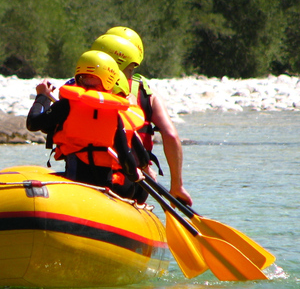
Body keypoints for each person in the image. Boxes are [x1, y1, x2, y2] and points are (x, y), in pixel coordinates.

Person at [26, 50, 147, 201]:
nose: (88, 84)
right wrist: (135, 175)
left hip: (77, 181)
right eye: (84, 79)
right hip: (102, 186)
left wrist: (42, 97)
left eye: (93, 80)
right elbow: (126, 156)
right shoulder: (114, 113)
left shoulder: (67, 105)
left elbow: (33, 122)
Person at [104, 26, 193, 205]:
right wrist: (177, 185)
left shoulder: (82, 83)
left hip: (85, 175)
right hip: (132, 183)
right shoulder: (146, 93)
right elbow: (170, 135)